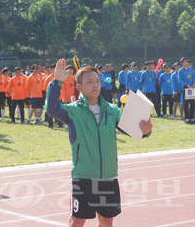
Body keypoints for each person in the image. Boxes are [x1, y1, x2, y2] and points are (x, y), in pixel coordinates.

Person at [46, 59, 153, 227]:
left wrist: (145, 130)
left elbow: (133, 129)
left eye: (97, 81)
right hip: (83, 176)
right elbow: (52, 108)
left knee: (106, 221)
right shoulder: (73, 111)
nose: (95, 85)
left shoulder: (113, 110)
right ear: (79, 87)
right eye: (89, 82)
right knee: (77, 221)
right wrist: (57, 82)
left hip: (109, 176)